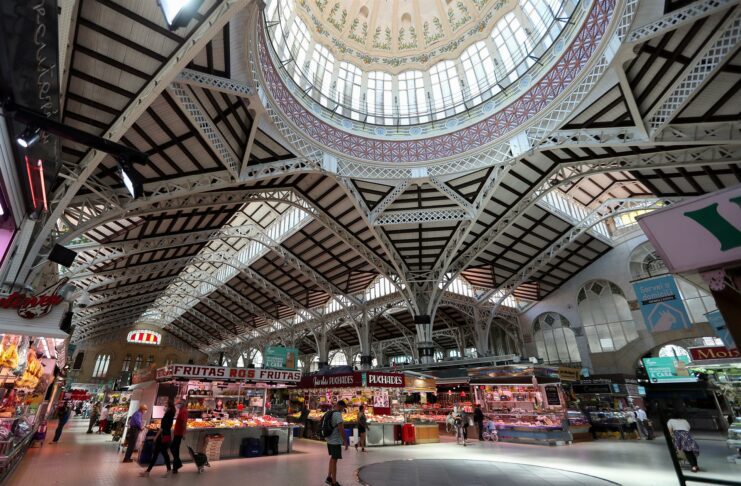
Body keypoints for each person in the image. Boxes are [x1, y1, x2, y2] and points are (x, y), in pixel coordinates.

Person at [141, 398, 175, 477]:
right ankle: (149, 471)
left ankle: (148, 471)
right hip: (167, 436)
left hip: (162, 436)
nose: (164, 406)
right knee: (162, 453)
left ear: (169, 406)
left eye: (165, 405)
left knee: (158, 453)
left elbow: (162, 428)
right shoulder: (171, 414)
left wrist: (156, 437)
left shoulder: (167, 415)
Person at [324, 400, 349, 486]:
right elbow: (341, 429)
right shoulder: (338, 415)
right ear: (340, 406)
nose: (343, 409)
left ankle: (329, 477)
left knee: (332, 459)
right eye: (343, 407)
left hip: (329, 439)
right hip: (335, 441)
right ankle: (334, 482)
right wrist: (345, 441)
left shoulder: (330, 412)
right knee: (334, 461)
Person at [171, 399, 188, 474]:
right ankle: (177, 465)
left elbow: (184, 423)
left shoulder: (184, 411)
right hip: (177, 432)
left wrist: (183, 433)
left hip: (179, 433)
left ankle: (177, 465)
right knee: (175, 449)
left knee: (174, 448)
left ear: (183, 404)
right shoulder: (181, 410)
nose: (177, 404)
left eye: (179, 403)